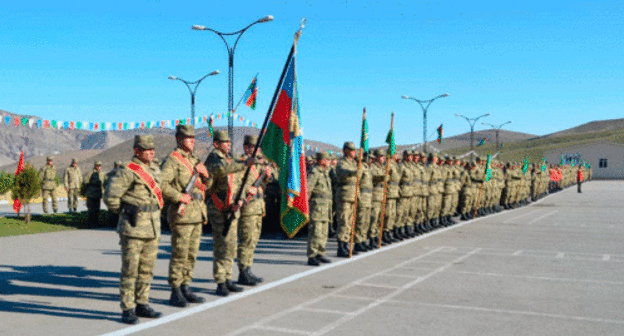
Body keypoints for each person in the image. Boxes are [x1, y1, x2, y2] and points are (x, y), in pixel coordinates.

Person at [104, 135, 163, 325]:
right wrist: (123, 211)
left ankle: (142, 303)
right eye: (147, 149)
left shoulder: (154, 169)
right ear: (136, 151)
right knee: (130, 271)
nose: (151, 152)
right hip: (133, 228)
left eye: (152, 149)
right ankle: (127, 308)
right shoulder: (128, 170)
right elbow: (111, 197)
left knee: (147, 270)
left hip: (153, 228)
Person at [160, 125, 212, 307]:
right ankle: (175, 290)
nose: (193, 141)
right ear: (179, 139)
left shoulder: (195, 160)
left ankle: (185, 286)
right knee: (180, 254)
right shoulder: (172, 161)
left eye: (194, 138)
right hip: (182, 215)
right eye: (188, 138)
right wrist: (178, 196)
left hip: (197, 213)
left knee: (192, 254)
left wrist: (206, 175)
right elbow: (161, 185)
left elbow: (207, 186)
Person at [205, 130, 253, 296]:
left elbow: (238, 180)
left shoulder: (229, 159)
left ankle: (228, 278)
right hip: (218, 208)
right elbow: (221, 170)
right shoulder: (214, 159)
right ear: (216, 144)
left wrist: (240, 198)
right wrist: (244, 164)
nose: (228, 145)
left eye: (229, 142)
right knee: (221, 245)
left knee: (231, 246)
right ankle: (220, 281)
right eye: (224, 142)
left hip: (232, 207)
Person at [237, 135, 271, 284]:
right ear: (246, 148)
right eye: (253, 147)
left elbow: (263, 183)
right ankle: (243, 272)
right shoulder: (241, 163)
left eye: (257, 148)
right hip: (248, 207)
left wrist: (267, 176)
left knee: (253, 241)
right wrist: (246, 190)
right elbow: (236, 183)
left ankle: (248, 269)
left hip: (258, 207)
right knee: (246, 240)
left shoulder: (258, 165)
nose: (257, 151)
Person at [306, 152, 333, 266]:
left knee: (323, 232)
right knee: (316, 232)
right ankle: (312, 255)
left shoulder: (325, 173)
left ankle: (320, 253)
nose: (329, 162)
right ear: (322, 161)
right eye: (327, 160)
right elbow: (308, 190)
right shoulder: (315, 172)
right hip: (317, 207)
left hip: (325, 207)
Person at [335, 142, 359, 257]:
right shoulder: (342, 163)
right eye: (351, 150)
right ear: (345, 150)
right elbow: (342, 172)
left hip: (353, 195)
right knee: (343, 221)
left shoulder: (355, 163)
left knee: (350, 222)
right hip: (344, 196)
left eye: (354, 150)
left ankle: (347, 244)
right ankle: (341, 247)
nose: (354, 152)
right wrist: (354, 171)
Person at [84, 161, 105, 226]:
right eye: (98, 166)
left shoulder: (102, 173)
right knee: (91, 208)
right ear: (95, 166)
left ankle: (96, 221)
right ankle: (91, 222)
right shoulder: (90, 173)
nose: (99, 167)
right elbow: (85, 181)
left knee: (97, 208)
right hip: (91, 192)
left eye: (100, 166)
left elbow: (104, 182)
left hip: (98, 192)